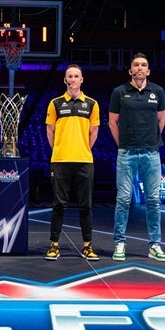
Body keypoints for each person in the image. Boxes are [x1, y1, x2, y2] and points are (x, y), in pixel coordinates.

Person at [108, 52, 165, 262]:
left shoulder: (158, 91)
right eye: (136, 65)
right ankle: (120, 242)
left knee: (153, 200)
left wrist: (150, 140)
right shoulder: (119, 92)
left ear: (148, 70)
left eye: (144, 64)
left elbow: (161, 120)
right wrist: (123, 144)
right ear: (130, 70)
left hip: (152, 152)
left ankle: (154, 245)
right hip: (126, 152)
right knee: (123, 199)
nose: (140, 68)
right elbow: (112, 122)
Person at [45, 64, 100, 261]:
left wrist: (83, 148)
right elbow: (50, 130)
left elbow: (94, 132)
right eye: (70, 76)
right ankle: (54, 245)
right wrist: (58, 149)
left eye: (77, 76)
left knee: (86, 205)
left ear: (82, 79)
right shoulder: (55, 103)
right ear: (65, 80)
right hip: (60, 161)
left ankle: (87, 246)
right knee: (59, 204)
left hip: (84, 161)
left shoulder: (92, 104)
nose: (73, 79)